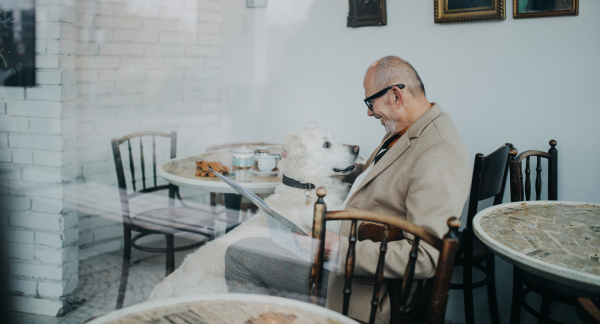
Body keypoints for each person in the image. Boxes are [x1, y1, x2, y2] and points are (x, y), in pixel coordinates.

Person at [224, 56, 471, 324]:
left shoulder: (439, 151)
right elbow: (382, 175)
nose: (368, 112)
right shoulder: (408, 128)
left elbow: (426, 256)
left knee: (239, 256)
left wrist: (340, 250)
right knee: (271, 240)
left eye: (370, 102)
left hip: (366, 288)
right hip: (352, 250)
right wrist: (316, 164)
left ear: (396, 96)